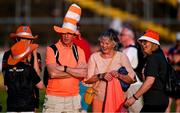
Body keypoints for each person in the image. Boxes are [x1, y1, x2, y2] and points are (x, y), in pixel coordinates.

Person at [43, 4, 87, 113]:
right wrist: (75, 71)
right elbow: (52, 74)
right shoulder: (51, 49)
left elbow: (84, 73)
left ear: (74, 35)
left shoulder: (79, 51)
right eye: (64, 33)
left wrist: (65, 68)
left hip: (73, 98)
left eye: (69, 33)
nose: (66, 36)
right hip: (54, 98)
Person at [85, 29, 135, 112]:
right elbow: (88, 80)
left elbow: (131, 79)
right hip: (99, 99)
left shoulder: (121, 56)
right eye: (102, 43)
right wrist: (101, 76)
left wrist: (119, 75)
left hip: (117, 100)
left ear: (113, 44)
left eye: (107, 43)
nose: (104, 46)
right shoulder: (94, 57)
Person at [125, 29, 169, 112]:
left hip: (154, 102)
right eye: (142, 42)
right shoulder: (159, 55)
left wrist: (134, 98)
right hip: (158, 100)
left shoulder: (153, 58)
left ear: (153, 43)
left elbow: (150, 81)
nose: (142, 44)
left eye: (145, 42)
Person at [2, 25, 42, 111]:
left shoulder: (36, 55)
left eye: (28, 39)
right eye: (22, 38)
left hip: (32, 98)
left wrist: (34, 55)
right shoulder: (8, 54)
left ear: (31, 40)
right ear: (16, 39)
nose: (25, 41)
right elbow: (6, 81)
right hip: (14, 99)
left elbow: (37, 77)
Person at [118, 27, 143, 113]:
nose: (119, 36)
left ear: (129, 37)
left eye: (122, 35)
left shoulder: (130, 50)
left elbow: (120, 67)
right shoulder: (128, 49)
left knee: (135, 110)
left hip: (132, 86)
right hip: (131, 85)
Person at [73, 23, 91, 112]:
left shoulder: (83, 43)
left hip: (79, 81)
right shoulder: (84, 42)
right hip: (78, 80)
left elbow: (87, 63)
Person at [165, 32, 180, 113]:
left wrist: (174, 59)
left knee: (178, 103)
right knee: (168, 102)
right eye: (178, 41)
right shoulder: (172, 49)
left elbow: (175, 59)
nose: (178, 43)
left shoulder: (173, 50)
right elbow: (170, 60)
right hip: (172, 78)